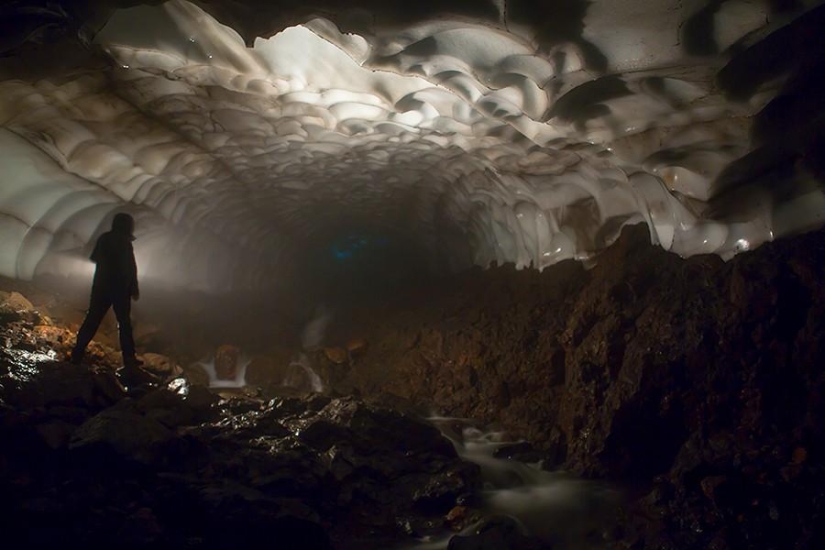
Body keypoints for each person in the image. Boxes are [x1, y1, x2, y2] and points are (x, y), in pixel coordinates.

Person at [71, 212, 143, 369]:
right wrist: (133, 287)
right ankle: (129, 358)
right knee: (124, 324)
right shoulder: (125, 243)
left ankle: (77, 352)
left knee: (93, 319)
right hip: (120, 289)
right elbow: (130, 268)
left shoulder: (105, 238)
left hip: (102, 286)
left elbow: (94, 257)